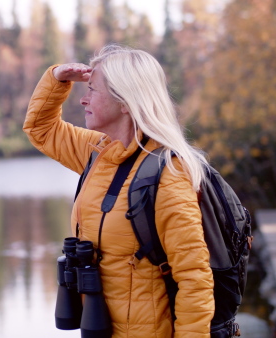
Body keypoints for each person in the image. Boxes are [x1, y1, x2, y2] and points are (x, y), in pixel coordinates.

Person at [23, 45, 214, 337]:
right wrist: (56, 79)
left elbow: (194, 279)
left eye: (92, 91)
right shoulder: (99, 153)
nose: (83, 100)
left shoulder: (167, 175)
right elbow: (41, 129)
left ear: (125, 101)